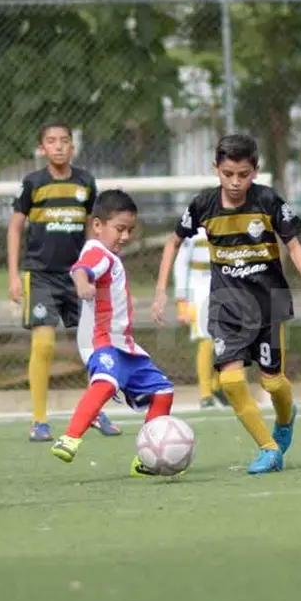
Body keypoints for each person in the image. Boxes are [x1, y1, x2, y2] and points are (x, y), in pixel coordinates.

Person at [151, 133, 301, 475]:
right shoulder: (203, 205)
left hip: (269, 302)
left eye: (243, 175)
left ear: (255, 172)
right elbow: (172, 244)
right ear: (216, 169)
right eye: (228, 174)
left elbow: (293, 244)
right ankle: (268, 448)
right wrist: (161, 291)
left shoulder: (268, 201)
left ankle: (286, 418)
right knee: (231, 382)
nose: (235, 182)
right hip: (226, 303)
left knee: (272, 383)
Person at [6, 122, 120, 442]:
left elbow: (92, 227)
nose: (58, 146)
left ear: (72, 147)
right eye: (51, 141)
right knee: (43, 342)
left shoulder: (85, 183)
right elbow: (15, 227)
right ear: (42, 148)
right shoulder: (33, 184)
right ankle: (39, 421)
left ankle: (95, 410)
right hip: (40, 275)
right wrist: (14, 275)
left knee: (91, 345)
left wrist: (92, 267)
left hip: (77, 275)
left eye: (64, 141)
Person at [50, 190, 175, 472]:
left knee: (163, 391)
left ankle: (146, 460)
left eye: (130, 230)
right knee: (106, 382)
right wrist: (82, 283)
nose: (126, 236)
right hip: (101, 341)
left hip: (125, 345)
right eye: (120, 229)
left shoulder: (109, 256)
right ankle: (69, 438)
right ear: (97, 225)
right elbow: (82, 269)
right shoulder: (97, 251)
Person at [173, 225, 229, 409]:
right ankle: (206, 395)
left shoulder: (230, 227)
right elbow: (180, 266)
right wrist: (182, 301)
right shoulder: (192, 233)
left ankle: (218, 388)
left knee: (228, 341)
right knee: (206, 341)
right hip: (199, 292)